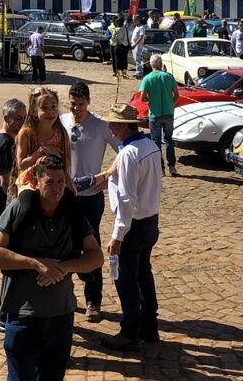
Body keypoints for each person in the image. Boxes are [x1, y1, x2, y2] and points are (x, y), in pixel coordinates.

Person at [0, 155, 103, 381]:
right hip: (23, 315)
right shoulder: (20, 208)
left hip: (61, 314)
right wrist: (37, 264)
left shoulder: (73, 212)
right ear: (37, 182)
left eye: (60, 182)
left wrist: (63, 267)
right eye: (50, 182)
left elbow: (96, 257)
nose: (57, 188)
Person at [101, 104, 163, 352]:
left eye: (114, 125)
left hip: (134, 226)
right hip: (150, 221)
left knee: (126, 280)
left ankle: (130, 332)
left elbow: (126, 199)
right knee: (143, 275)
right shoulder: (150, 146)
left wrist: (117, 235)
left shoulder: (128, 154)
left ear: (127, 126)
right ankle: (150, 327)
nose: (111, 129)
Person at [60, 82, 119, 324]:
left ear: (89, 102)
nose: (76, 108)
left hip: (91, 197)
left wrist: (109, 176)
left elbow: (123, 150)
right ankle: (65, 296)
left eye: (81, 104)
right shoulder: (62, 120)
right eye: (73, 103)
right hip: (64, 195)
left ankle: (93, 300)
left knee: (90, 247)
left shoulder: (100, 125)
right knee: (64, 245)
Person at [14, 86, 71, 194]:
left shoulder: (61, 132)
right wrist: (41, 152)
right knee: (28, 204)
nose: (51, 112)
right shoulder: (26, 133)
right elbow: (21, 164)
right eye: (45, 108)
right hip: (31, 182)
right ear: (35, 111)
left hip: (55, 180)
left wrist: (56, 157)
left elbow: (68, 161)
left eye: (53, 106)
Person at [139, 54, 179, 177]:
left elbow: (142, 98)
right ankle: (172, 166)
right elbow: (177, 96)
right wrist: (171, 103)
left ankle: (160, 168)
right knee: (169, 140)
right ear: (161, 64)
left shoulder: (147, 78)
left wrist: (151, 99)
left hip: (155, 114)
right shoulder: (169, 77)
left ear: (151, 65)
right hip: (168, 112)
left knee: (156, 141)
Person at [0, 99, 26, 223]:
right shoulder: (5, 144)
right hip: (6, 208)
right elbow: (5, 182)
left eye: (24, 118)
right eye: (17, 118)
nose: (22, 123)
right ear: (6, 119)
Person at [130, 15, 148, 79]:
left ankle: (139, 73)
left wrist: (135, 44)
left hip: (138, 46)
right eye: (133, 19)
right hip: (134, 45)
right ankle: (137, 71)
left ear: (138, 20)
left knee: (138, 59)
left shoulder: (141, 27)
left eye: (134, 19)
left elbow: (141, 36)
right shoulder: (136, 27)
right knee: (135, 59)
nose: (133, 21)